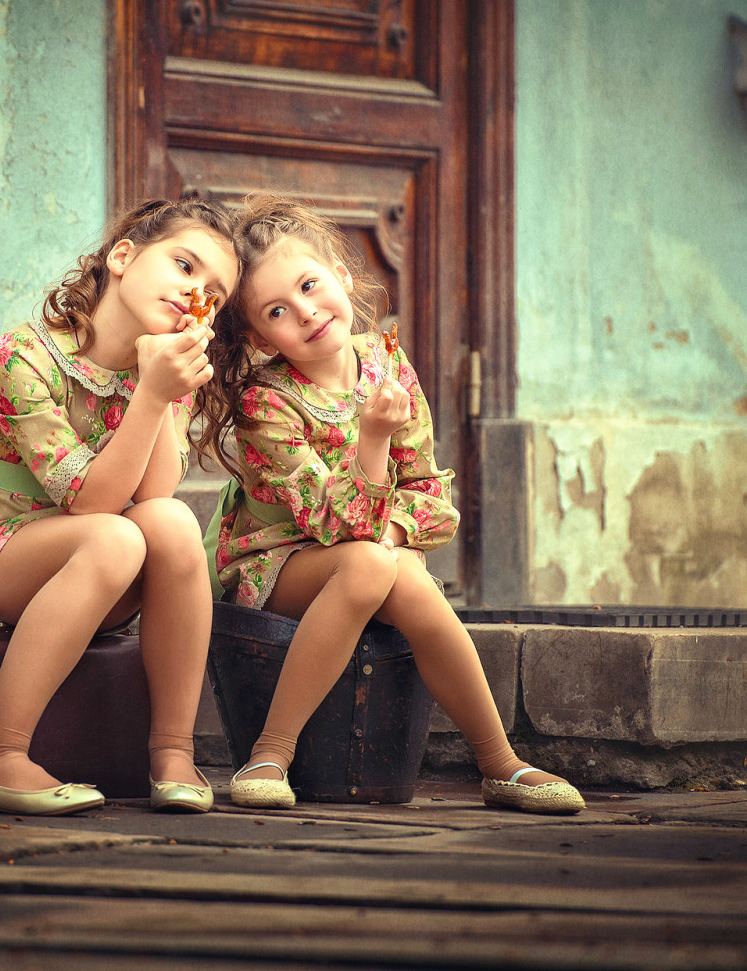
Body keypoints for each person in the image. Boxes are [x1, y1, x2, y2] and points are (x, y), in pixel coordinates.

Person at [200, 195, 584, 814]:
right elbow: (332, 523)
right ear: (256, 336)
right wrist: (373, 440)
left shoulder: (385, 366)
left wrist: (396, 538)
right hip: (273, 567)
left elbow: (429, 494)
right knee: (372, 564)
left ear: (342, 276)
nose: (305, 312)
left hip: (366, 554)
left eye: (309, 285)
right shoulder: (264, 404)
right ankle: (270, 753)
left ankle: (501, 763)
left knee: (392, 570)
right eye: (277, 310)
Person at [0, 198, 239, 816]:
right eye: (184, 265)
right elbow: (93, 502)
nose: (196, 294)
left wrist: (159, 392)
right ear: (122, 256)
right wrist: (151, 394)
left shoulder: (163, 366)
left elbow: (155, 495)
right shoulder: (24, 357)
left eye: (214, 293)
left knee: (169, 523)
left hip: (76, 553)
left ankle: (172, 750)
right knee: (114, 536)